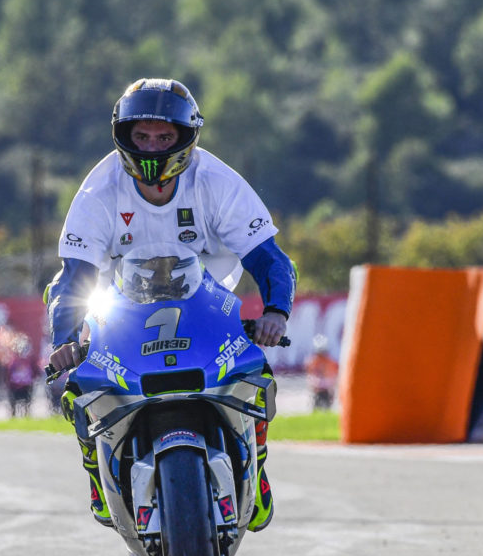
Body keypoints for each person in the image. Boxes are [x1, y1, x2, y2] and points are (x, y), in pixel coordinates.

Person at [46, 78, 296, 531]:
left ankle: (256, 471)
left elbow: (271, 259)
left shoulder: (217, 181)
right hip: (120, 306)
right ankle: (97, 479)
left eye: (164, 137)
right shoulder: (98, 191)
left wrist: (276, 313)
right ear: (123, 136)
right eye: (142, 136)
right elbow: (75, 277)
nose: (152, 148)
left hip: (208, 302)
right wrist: (65, 341)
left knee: (256, 375)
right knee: (77, 386)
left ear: (187, 137)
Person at [305, 334, 339, 411]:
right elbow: (310, 375)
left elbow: (334, 376)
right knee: (316, 407)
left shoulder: (331, 362)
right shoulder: (312, 361)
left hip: (327, 389)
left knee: (327, 407)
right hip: (317, 390)